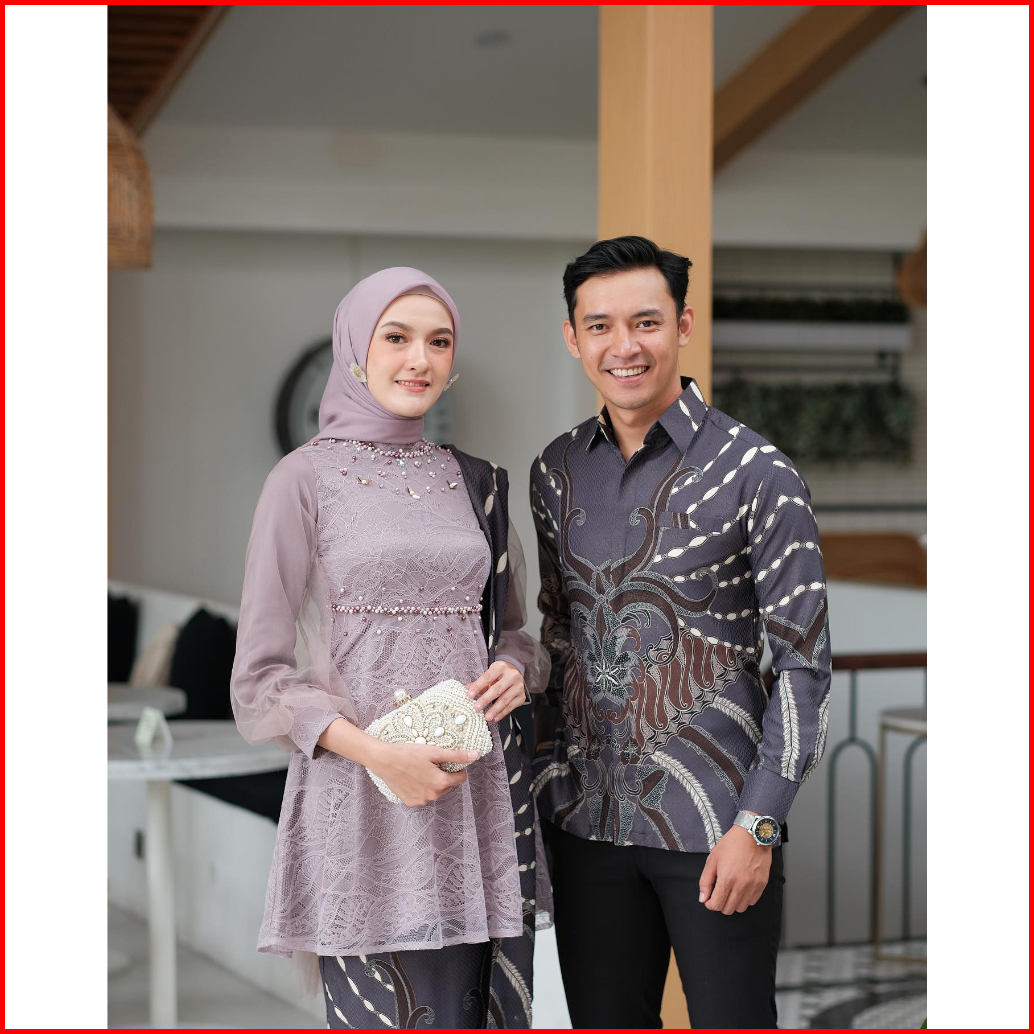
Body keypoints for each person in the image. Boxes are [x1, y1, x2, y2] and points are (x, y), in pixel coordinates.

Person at [231, 267, 551, 1029]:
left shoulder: (475, 481)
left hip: (475, 793)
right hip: (362, 794)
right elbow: (259, 679)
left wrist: (516, 667)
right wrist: (382, 756)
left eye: (438, 342)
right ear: (355, 351)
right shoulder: (300, 479)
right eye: (397, 338)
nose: (419, 359)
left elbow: (511, 632)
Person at [529, 236, 832, 1029]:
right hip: (584, 825)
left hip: (716, 823)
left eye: (645, 322)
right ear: (573, 338)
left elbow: (803, 668)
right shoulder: (554, 472)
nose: (623, 346)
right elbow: (558, 636)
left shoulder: (759, 472)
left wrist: (759, 825)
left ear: (683, 325)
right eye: (599, 326)